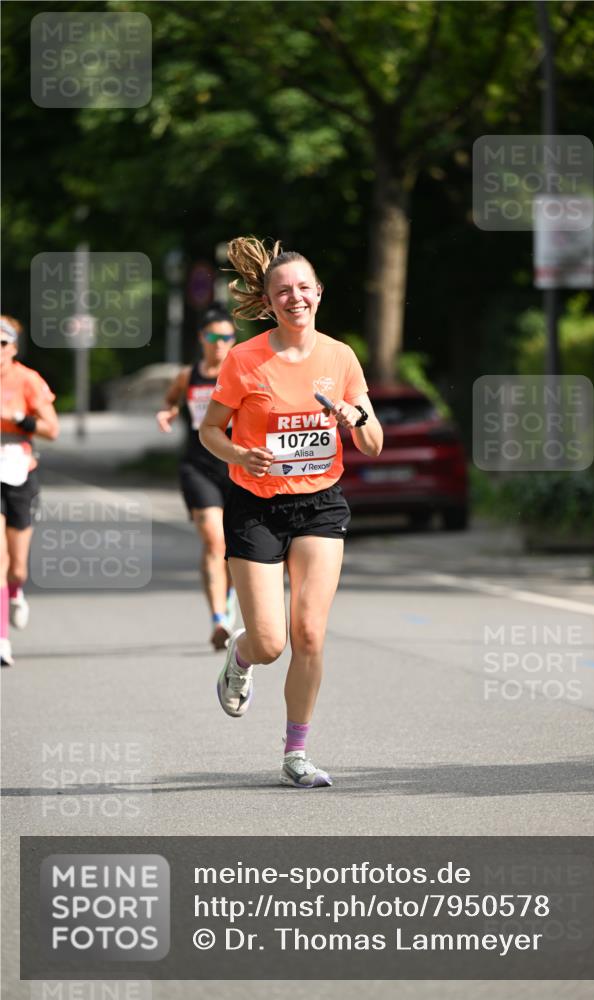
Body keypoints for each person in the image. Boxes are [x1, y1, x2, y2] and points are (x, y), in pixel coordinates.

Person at [199, 237, 383, 787]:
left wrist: (354, 415)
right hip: (255, 506)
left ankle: (295, 755)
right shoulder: (245, 359)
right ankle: (240, 657)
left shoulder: (341, 357)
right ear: (270, 301)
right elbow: (210, 430)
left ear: (319, 294)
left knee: (308, 634)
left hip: (321, 505)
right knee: (271, 643)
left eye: (304, 288)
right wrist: (238, 452)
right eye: (284, 291)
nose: (295, 298)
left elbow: (373, 442)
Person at [156, 303, 239, 650]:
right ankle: (218, 618)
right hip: (199, 466)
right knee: (214, 542)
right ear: (201, 338)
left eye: (226, 337)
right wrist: (169, 412)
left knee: (236, 546)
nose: (219, 343)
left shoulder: (243, 374)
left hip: (238, 466)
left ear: (234, 339)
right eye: (212, 336)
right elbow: (172, 400)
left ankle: (232, 595)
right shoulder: (187, 376)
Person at [0, 315, 59, 667]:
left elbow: (52, 429)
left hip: (19, 474)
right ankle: (2, 638)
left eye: (2, 343)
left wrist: (21, 419)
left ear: (14, 348)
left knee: (17, 567)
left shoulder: (27, 380)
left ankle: (17, 590)